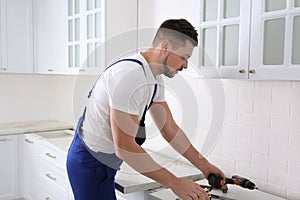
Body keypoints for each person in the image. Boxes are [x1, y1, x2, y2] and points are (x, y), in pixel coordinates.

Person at [67, 18, 226, 200]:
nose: (185, 65)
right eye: (184, 57)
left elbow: (170, 129)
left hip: (107, 162)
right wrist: (175, 183)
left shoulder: (154, 79)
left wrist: (204, 166)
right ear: (165, 46)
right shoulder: (129, 75)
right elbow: (125, 147)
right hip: (89, 162)